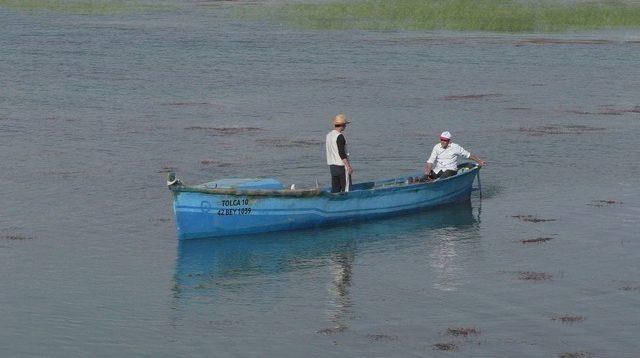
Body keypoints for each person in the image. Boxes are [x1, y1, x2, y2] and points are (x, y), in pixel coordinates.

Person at [326, 113, 353, 193]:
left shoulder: (328, 135)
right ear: (343, 125)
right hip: (341, 166)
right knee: (346, 189)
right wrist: (348, 166)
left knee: (335, 189)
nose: (346, 126)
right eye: (345, 124)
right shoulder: (340, 136)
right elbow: (342, 153)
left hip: (332, 166)